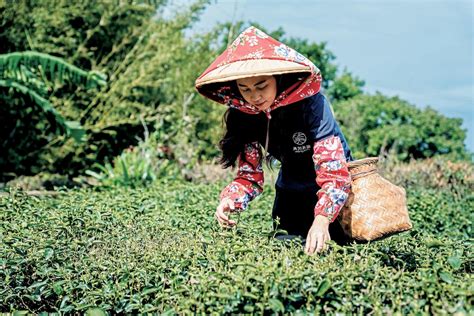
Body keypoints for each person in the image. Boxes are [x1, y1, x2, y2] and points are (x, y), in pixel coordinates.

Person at [195, 26, 353, 255]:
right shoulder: (244, 115)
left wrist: (322, 219)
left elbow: (334, 173)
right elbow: (249, 177)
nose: (255, 96)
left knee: (341, 259)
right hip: (290, 194)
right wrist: (230, 200)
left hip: (335, 197)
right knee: (287, 256)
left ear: (277, 79)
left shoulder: (312, 104)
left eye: (262, 86)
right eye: (245, 89)